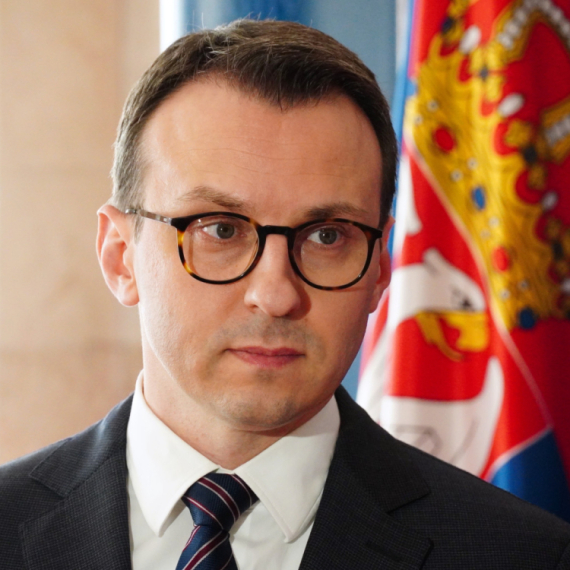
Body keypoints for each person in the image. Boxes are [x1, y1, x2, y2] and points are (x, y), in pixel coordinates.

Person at [0, 19, 569, 570]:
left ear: (380, 267)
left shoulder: (527, 556)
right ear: (120, 256)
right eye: (221, 229)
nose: (275, 295)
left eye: (327, 236)